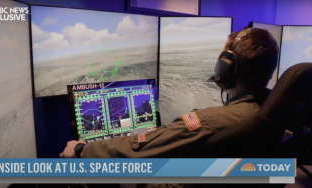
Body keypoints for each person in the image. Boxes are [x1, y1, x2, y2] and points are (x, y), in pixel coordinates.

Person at [59, 28, 279, 187]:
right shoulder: (274, 110)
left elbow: (136, 150)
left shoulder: (207, 122)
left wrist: (80, 150)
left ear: (225, 69)